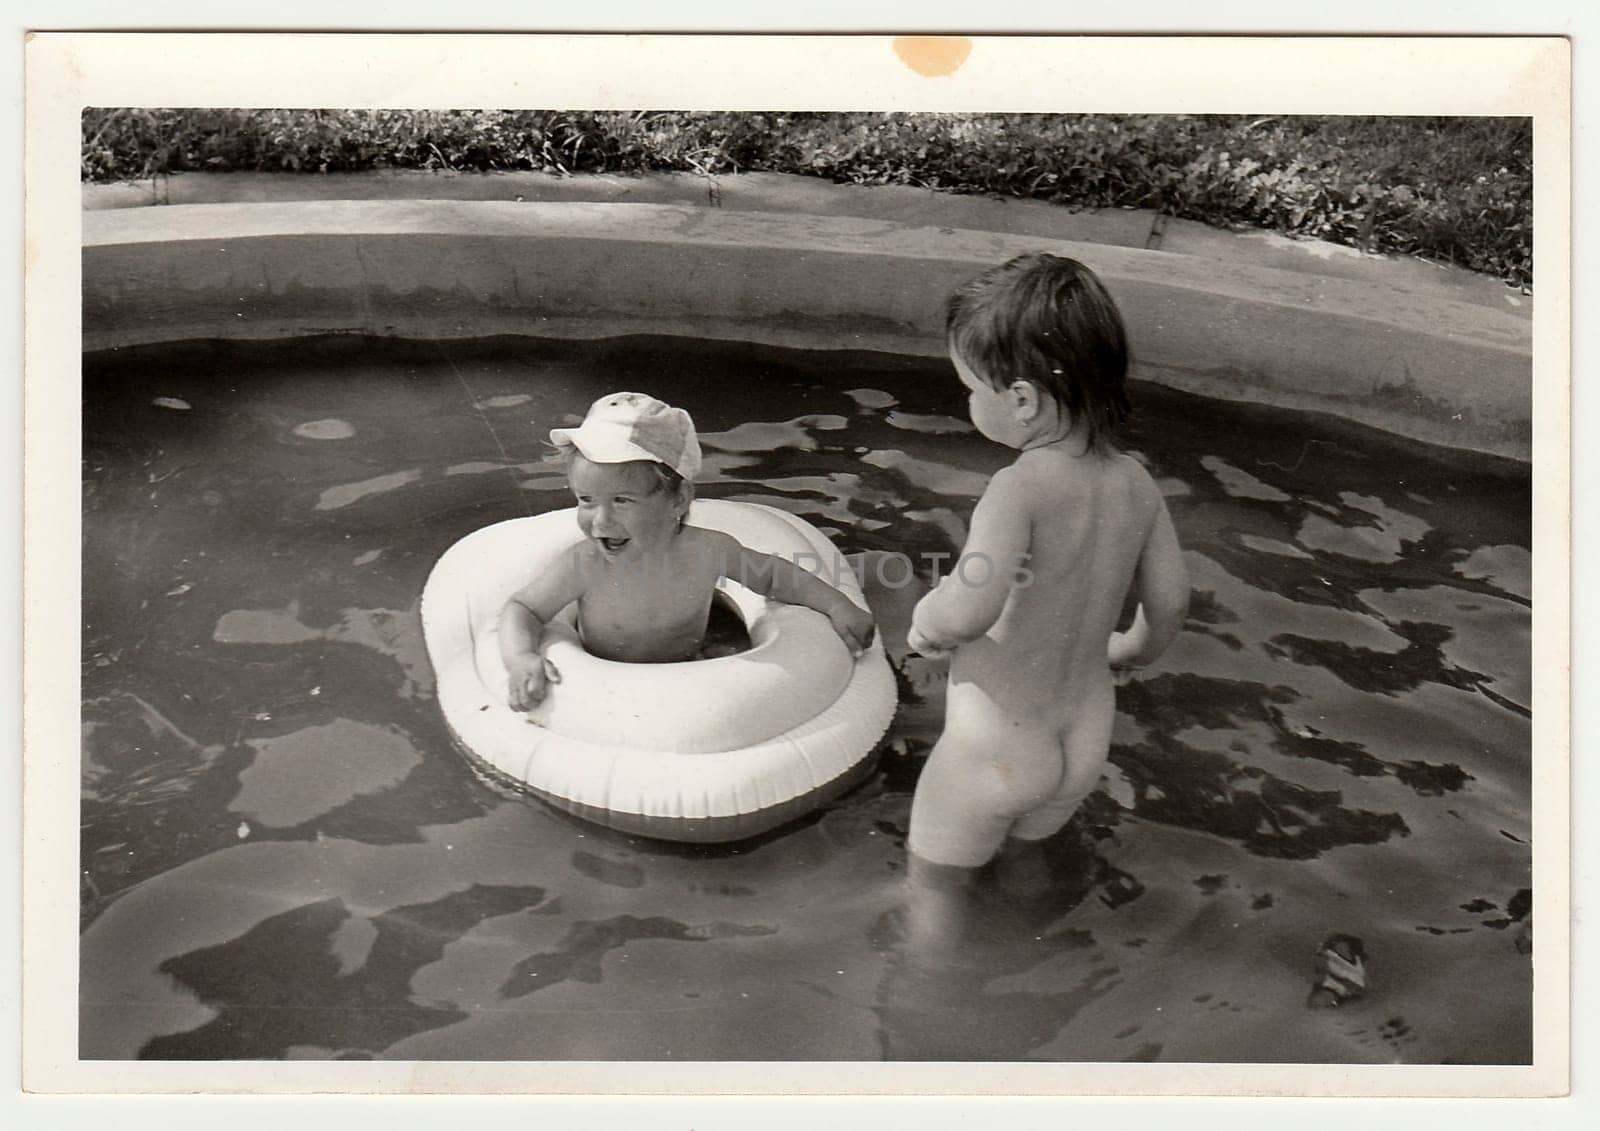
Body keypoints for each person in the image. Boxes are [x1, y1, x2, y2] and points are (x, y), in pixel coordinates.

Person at [905, 253, 1190, 869]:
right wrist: (1128, 650)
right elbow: (1169, 601)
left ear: (1023, 400)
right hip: (1082, 746)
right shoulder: (1137, 482)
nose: (968, 403)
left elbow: (970, 608)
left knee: (932, 893)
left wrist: (928, 621)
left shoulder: (1019, 488)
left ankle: (929, 962)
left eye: (970, 389)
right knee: (1028, 872)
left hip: (996, 752)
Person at [499, 392, 876, 710]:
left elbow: (776, 575)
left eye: (622, 501)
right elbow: (524, 609)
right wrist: (521, 657)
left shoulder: (708, 550)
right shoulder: (583, 564)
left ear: (678, 499)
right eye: (586, 500)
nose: (600, 522)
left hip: (693, 667)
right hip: (604, 683)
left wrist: (837, 605)